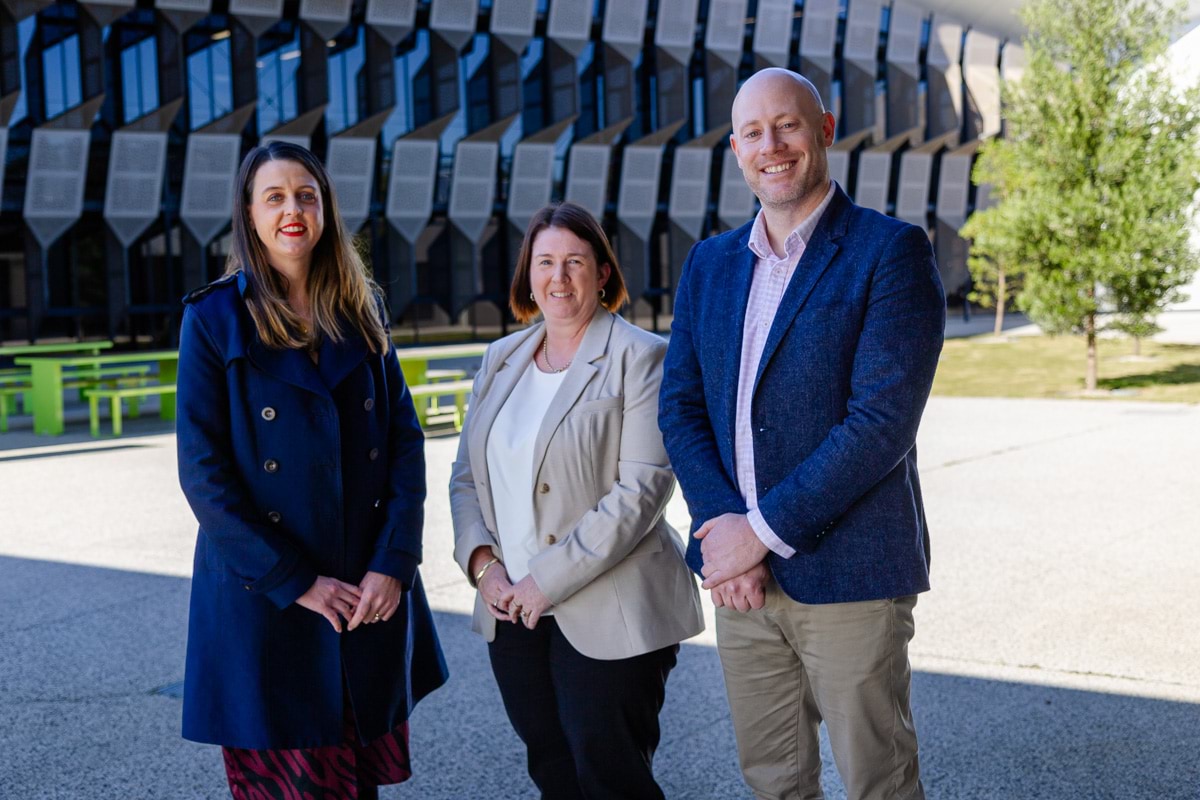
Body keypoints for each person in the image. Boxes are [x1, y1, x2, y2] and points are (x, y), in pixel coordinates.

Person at [658, 68, 946, 800]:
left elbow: (880, 422)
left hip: (850, 576)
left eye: (786, 125)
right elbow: (682, 407)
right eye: (753, 133)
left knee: (877, 781)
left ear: (822, 129)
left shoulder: (891, 251)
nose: (771, 145)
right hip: (742, 587)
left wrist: (760, 531)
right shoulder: (710, 264)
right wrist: (725, 533)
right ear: (735, 149)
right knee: (774, 781)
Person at [176, 141, 447, 800]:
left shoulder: (360, 310)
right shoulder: (212, 319)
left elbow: (405, 445)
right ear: (248, 212)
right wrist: (296, 581)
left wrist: (395, 562)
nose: (292, 209)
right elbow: (203, 471)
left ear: (325, 209)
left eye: (306, 194)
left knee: (356, 790)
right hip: (266, 603)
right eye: (274, 196)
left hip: (363, 592)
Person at [449, 202, 703, 800]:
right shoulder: (500, 359)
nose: (558, 278)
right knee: (553, 771)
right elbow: (466, 476)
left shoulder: (640, 357)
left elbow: (641, 490)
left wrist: (544, 580)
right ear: (527, 275)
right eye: (545, 262)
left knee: (611, 777)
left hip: (608, 606)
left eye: (574, 262)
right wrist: (484, 569)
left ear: (603, 273)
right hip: (512, 609)